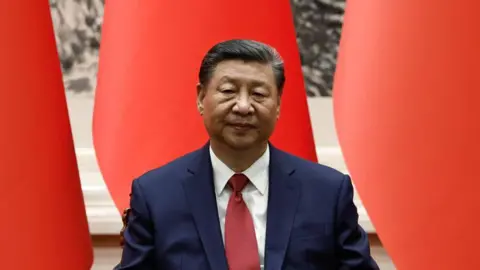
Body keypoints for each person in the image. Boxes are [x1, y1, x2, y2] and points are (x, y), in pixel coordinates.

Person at [116, 39, 379, 270]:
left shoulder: (328, 192)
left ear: (277, 105)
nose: (243, 106)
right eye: (229, 91)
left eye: (258, 94)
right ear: (200, 97)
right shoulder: (155, 194)